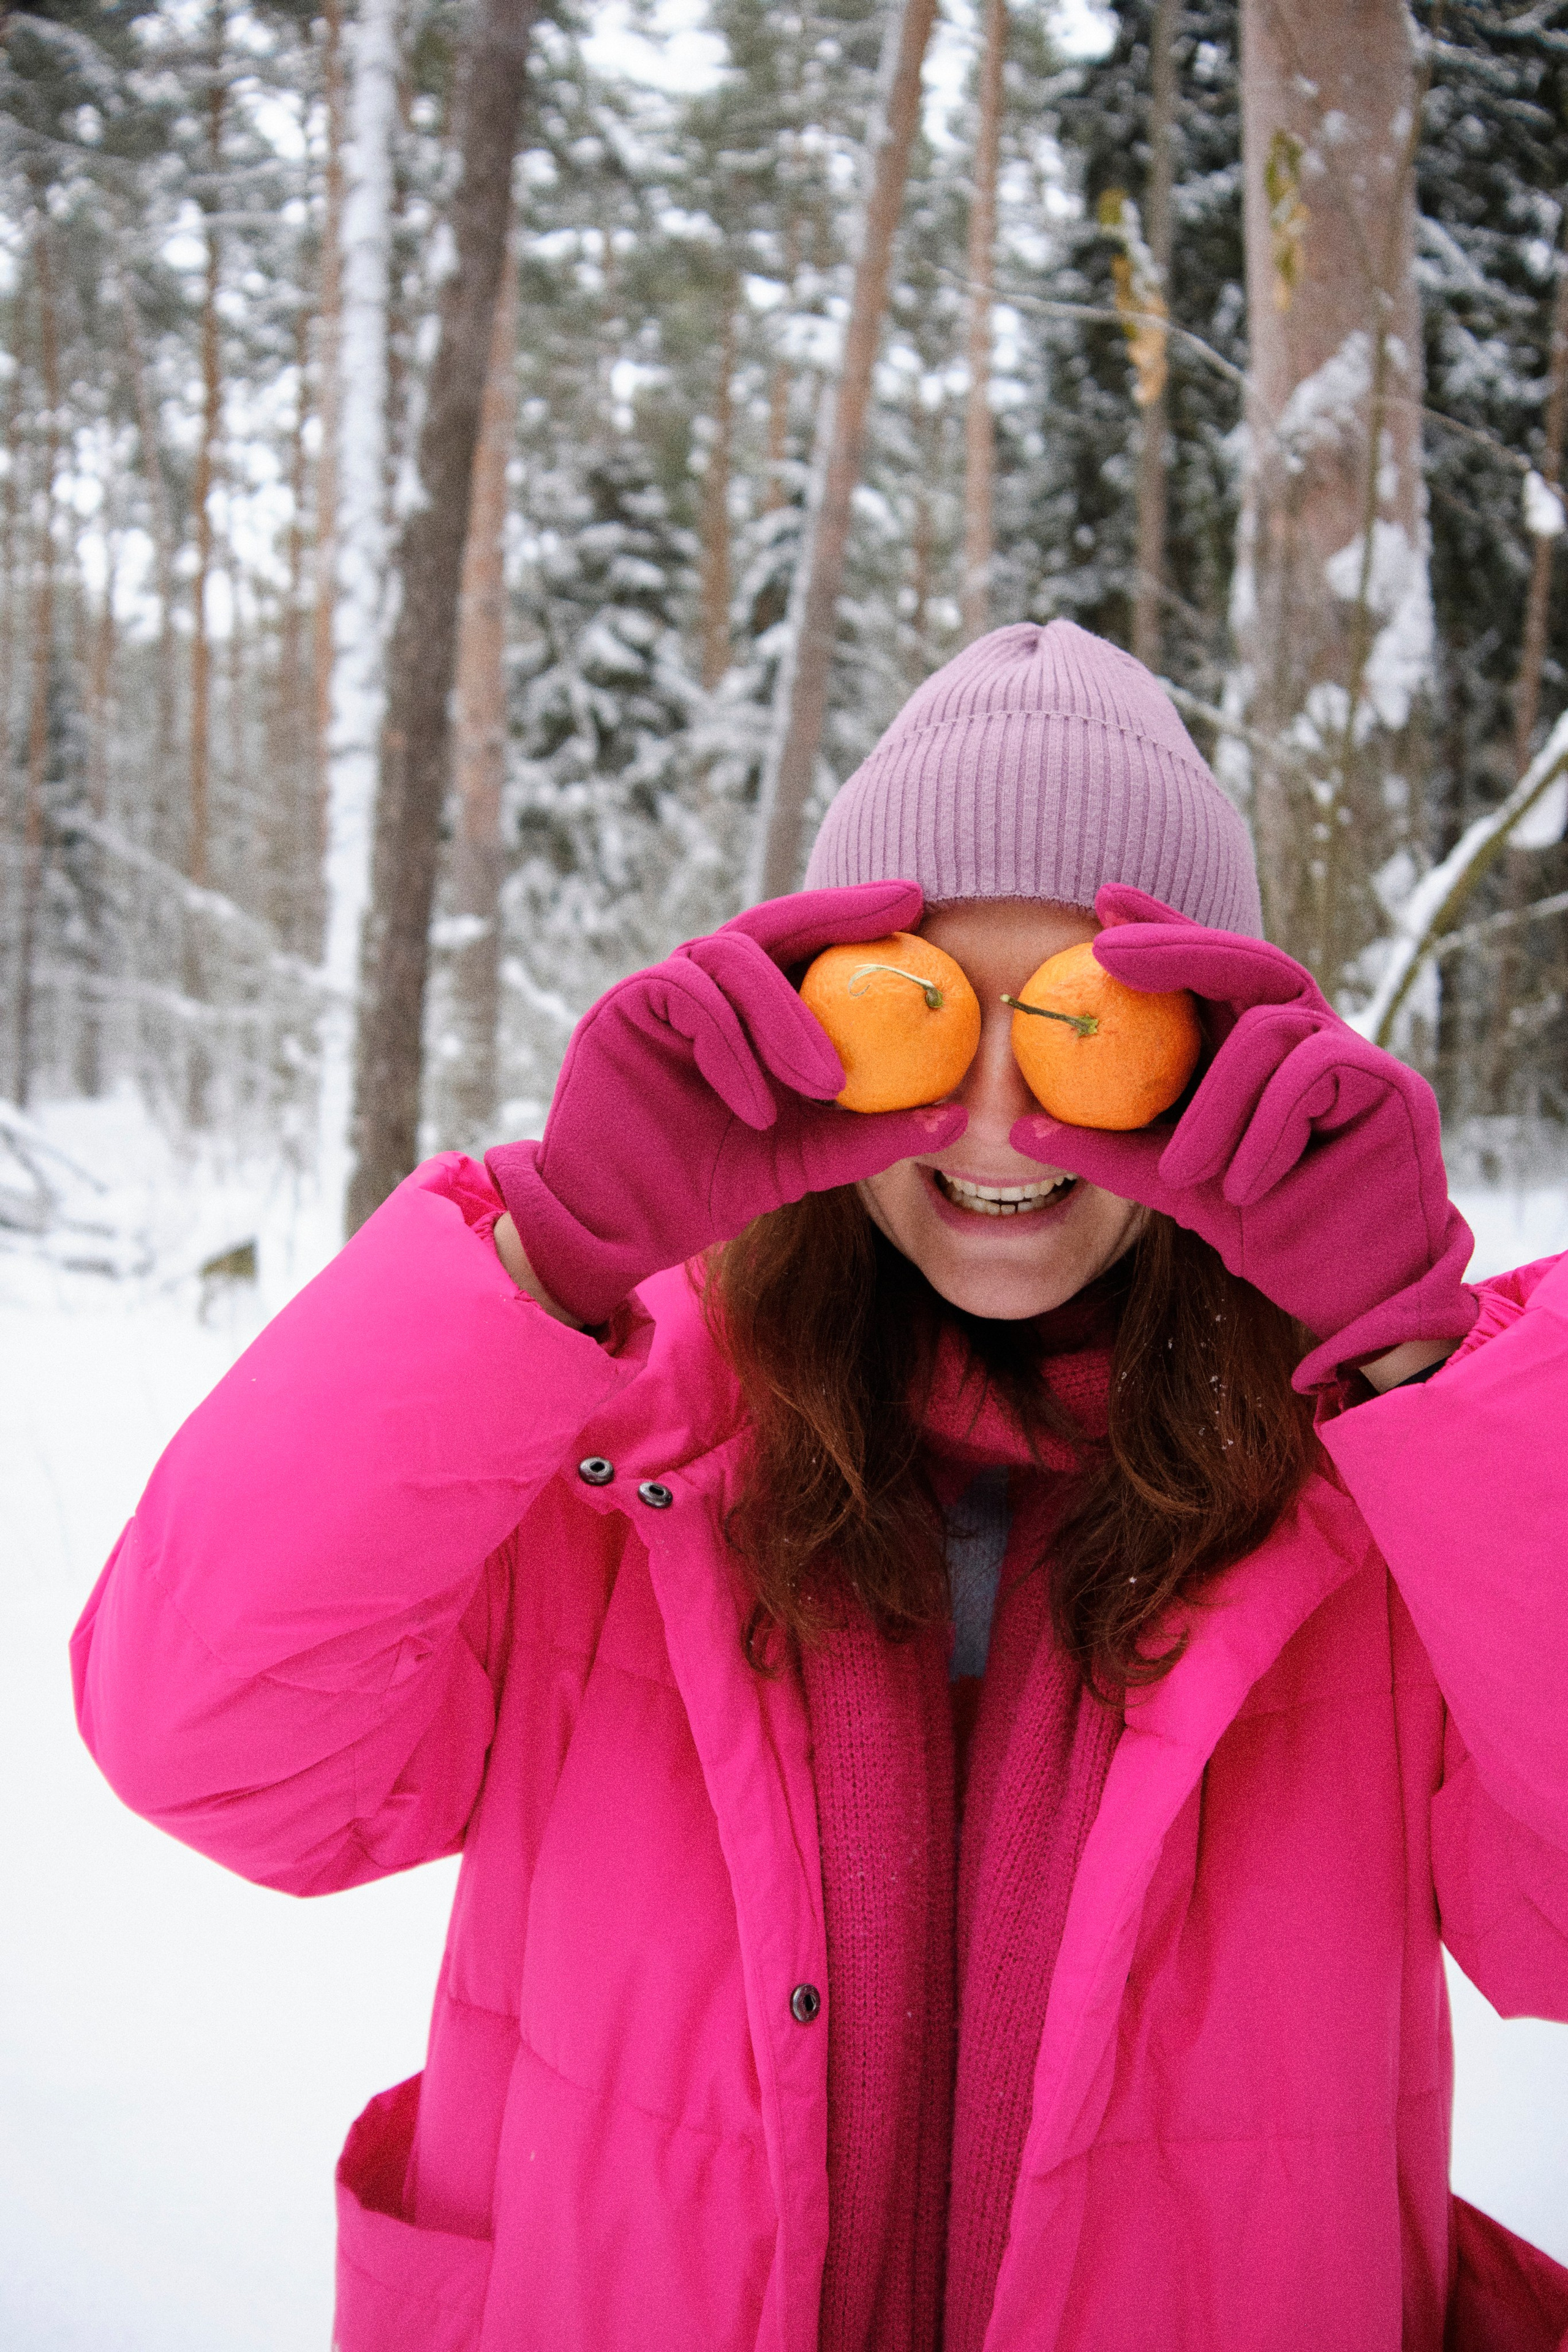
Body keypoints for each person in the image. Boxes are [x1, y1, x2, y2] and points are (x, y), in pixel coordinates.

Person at [72, 622, 1568, 2352]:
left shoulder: (1382, 1505)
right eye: (927, 1020)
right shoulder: (611, 1445)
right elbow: (206, 1743)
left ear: (1216, 1059)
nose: (1003, 1124)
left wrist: (1420, 1367)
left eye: (1091, 1026)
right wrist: (552, 1248)